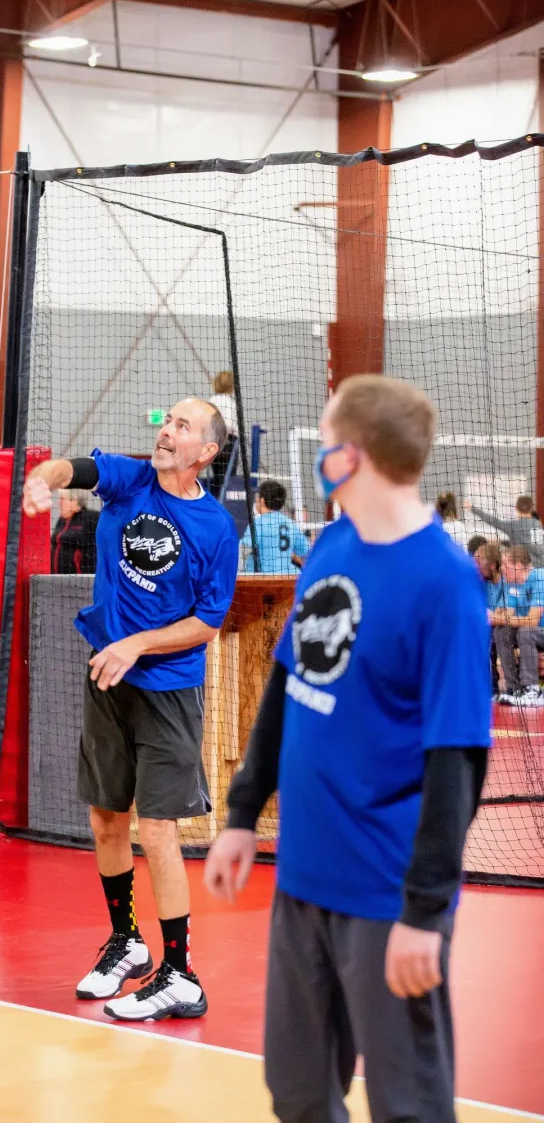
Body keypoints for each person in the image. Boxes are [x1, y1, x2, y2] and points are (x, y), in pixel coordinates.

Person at [205, 375, 490, 1123]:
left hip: (385, 892)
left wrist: (425, 913)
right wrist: (242, 813)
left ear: (352, 457)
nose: (320, 457)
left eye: (328, 443)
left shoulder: (445, 583)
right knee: (298, 1094)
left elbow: (457, 761)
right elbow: (288, 686)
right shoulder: (331, 545)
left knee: (408, 1106)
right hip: (304, 875)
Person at [23, 398, 239, 1022]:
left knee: (161, 829)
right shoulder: (133, 479)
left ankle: (180, 974)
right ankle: (127, 941)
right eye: (166, 422)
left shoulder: (215, 530)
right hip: (107, 677)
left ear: (206, 452)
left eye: (182, 427)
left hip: (167, 687)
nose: (167, 432)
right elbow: (77, 471)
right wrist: (43, 478)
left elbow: (207, 621)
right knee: (106, 819)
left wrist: (138, 643)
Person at [492, 545, 544, 707]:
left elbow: (533, 620)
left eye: (505, 565)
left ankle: (532, 689)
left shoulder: (539, 577)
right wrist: (492, 617)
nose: (502, 569)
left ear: (519, 566)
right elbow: (504, 615)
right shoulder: (512, 584)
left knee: (526, 631)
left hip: (537, 630)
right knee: (501, 632)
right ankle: (514, 688)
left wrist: (498, 618)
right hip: (530, 631)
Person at [240, 480, 307, 575]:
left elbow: (244, 550)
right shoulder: (291, 523)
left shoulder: (258, 524)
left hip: (263, 580)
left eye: (257, 497)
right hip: (286, 579)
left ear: (262, 501)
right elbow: (303, 550)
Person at [469, 493, 544, 565]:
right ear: (532, 508)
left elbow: (494, 521)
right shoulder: (538, 523)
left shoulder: (515, 525)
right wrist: (501, 542)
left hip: (527, 567)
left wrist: (472, 508)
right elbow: (528, 543)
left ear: (516, 508)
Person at [473, 540, 503, 699]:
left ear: (492, 565)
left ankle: (492, 688)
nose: (475, 563)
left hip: (504, 627)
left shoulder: (505, 583)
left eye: (479, 560)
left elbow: (500, 616)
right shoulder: (480, 583)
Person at [51, 491, 99, 575]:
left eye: (63, 499)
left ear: (75, 501)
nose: (59, 503)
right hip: (56, 578)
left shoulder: (91, 517)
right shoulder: (62, 520)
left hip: (80, 579)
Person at [207, 370, 239, 499]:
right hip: (228, 442)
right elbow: (231, 425)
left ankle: (217, 499)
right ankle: (224, 502)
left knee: (218, 476)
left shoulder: (211, 401)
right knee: (228, 477)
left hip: (214, 441)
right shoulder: (231, 403)